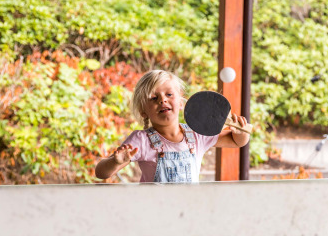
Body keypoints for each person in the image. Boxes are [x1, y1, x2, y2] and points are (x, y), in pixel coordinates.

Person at [95, 70, 250, 182]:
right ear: (143, 112)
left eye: (169, 95)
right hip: (157, 214)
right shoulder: (141, 140)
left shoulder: (197, 134)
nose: (162, 100)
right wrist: (115, 162)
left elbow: (236, 141)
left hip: (189, 210)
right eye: (154, 98)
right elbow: (101, 172)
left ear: (181, 103)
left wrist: (241, 132)